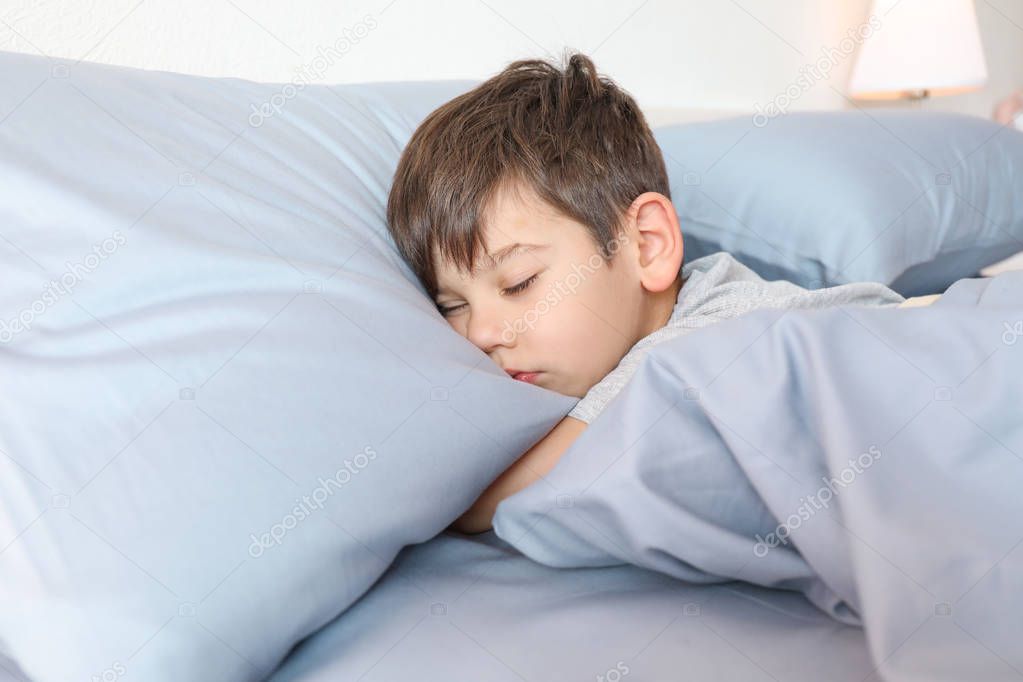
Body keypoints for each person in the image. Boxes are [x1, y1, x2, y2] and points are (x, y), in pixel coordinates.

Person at [386, 51, 931, 534]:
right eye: (452, 306)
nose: (479, 332)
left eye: (519, 282)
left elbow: (486, 503)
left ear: (646, 245)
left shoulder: (701, 338)